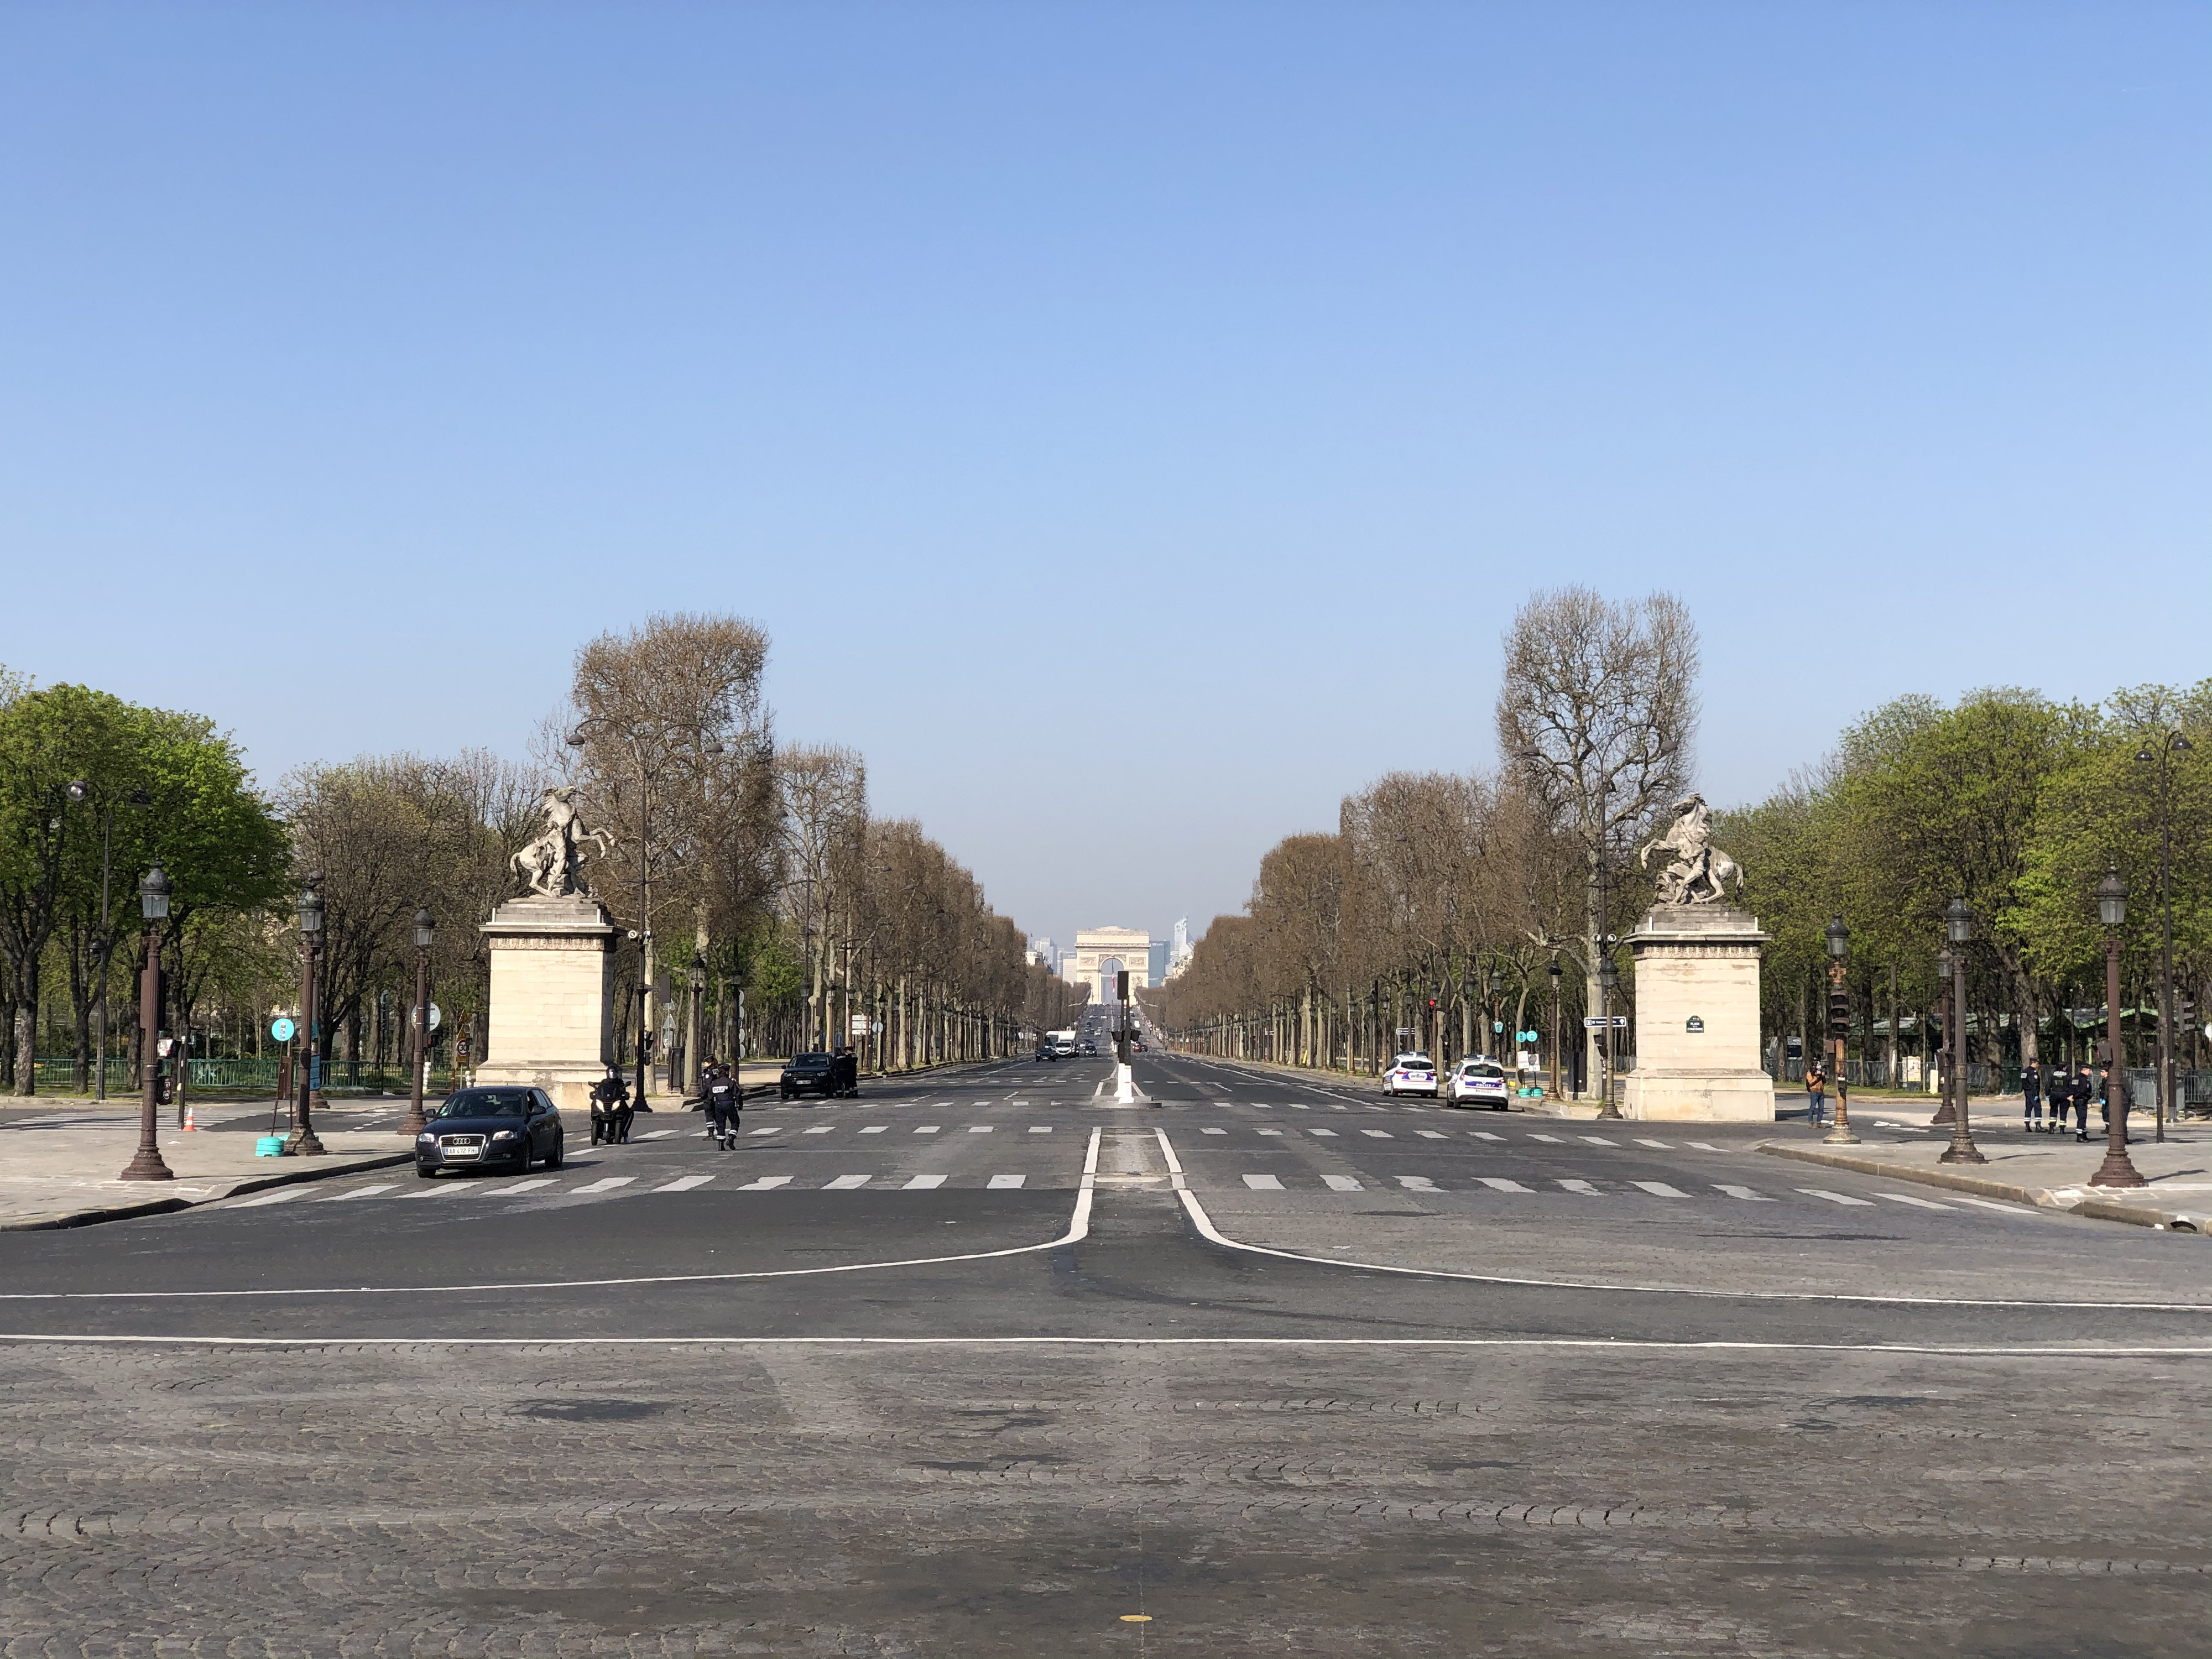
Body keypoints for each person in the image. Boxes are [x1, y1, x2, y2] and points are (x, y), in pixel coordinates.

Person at [702, 1061, 742, 1151]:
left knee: (721, 1124)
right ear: (727, 1072)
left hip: (718, 1104)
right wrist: (740, 1104)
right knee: (735, 1122)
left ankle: (721, 1145)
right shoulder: (729, 1082)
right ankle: (731, 1138)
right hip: (729, 1103)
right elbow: (737, 1094)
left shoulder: (715, 1083)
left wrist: (708, 1104)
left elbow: (710, 1095)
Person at [590, 1065, 633, 1147]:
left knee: (629, 1113)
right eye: (610, 1073)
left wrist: (624, 1095)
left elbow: (624, 1093)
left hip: (616, 1103)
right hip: (605, 1103)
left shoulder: (620, 1083)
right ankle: (595, 1125)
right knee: (595, 1108)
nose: (612, 1075)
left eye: (614, 1073)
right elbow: (599, 1092)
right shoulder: (604, 1082)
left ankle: (625, 1133)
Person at [2022, 1059, 2044, 1134]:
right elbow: (2034, 1084)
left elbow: (2024, 1083)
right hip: (2032, 1092)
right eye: (2037, 1064)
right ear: (2033, 1063)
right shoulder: (2033, 1072)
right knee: (2038, 1108)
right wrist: (2036, 1094)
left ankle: (2027, 1125)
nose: (2037, 1066)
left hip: (2027, 1092)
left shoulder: (2024, 1071)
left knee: (2028, 1109)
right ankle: (2038, 1126)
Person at [1805, 1062, 1828, 1128]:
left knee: (1821, 1108)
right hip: (1814, 1091)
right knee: (1813, 1107)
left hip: (1821, 1092)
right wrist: (1817, 1077)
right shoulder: (1810, 1073)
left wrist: (1823, 1076)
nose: (1819, 1067)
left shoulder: (1820, 1072)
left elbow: (1825, 1082)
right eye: (1818, 1065)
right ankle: (1811, 1122)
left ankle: (1819, 1122)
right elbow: (1811, 1082)